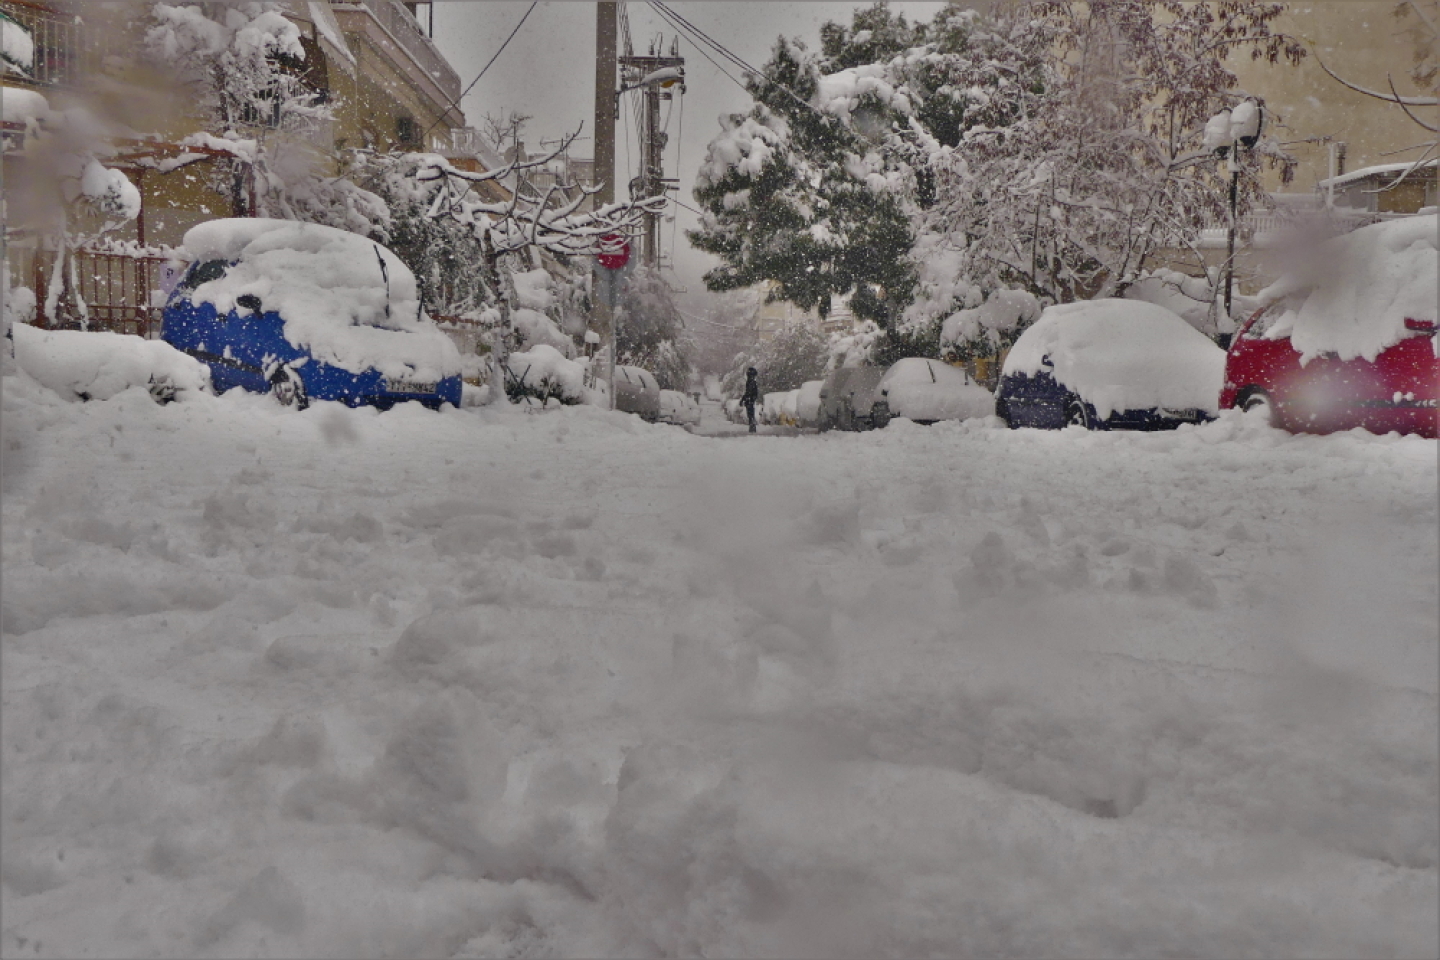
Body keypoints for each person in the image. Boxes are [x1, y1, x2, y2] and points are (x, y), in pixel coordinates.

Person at [741, 367, 759, 433]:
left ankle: (752, 428)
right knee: (751, 414)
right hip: (750, 400)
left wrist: (745, 399)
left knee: (750, 415)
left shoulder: (750, 382)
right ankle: (752, 427)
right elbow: (750, 392)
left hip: (750, 400)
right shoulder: (752, 382)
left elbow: (748, 392)